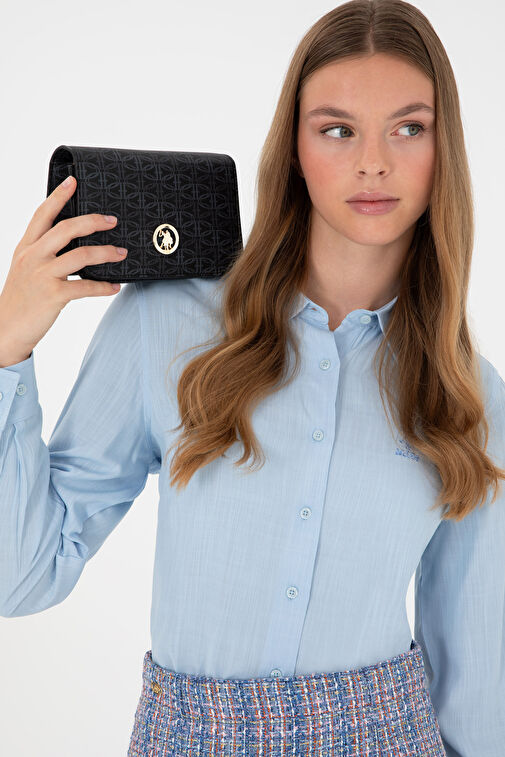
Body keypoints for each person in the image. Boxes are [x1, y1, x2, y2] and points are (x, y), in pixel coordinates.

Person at [0, 0, 504, 755]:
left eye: (408, 128)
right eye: (337, 129)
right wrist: (7, 347)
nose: (373, 162)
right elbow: (22, 576)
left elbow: (475, 667)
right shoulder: (168, 319)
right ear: (293, 148)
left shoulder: (470, 392)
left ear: (444, 147)